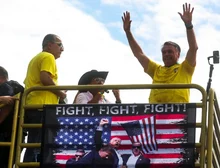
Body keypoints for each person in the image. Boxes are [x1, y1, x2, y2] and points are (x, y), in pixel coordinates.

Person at [122, 3, 198, 103]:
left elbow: (193, 48)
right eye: (164, 52)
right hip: (156, 115)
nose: (166, 54)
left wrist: (189, 25)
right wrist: (128, 32)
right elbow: (138, 54)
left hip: (178, 115)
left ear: (178, 54)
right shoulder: (156, 69)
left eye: (170, 52)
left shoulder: (185, 68)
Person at [23, 34, 67, 163]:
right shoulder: (48, 56)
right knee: (39, 145)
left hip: (33, 106)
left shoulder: (36, 58)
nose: (62, 49)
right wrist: (61, 93)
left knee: (33, 145)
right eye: (59, 45)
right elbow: (45, 78)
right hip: (42, 108)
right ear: (49, 45)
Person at [0, 66, 24, 168]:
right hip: (15, 133)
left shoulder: (5, 87)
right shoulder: (16, 88)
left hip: (5, 134)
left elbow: (8, 105)